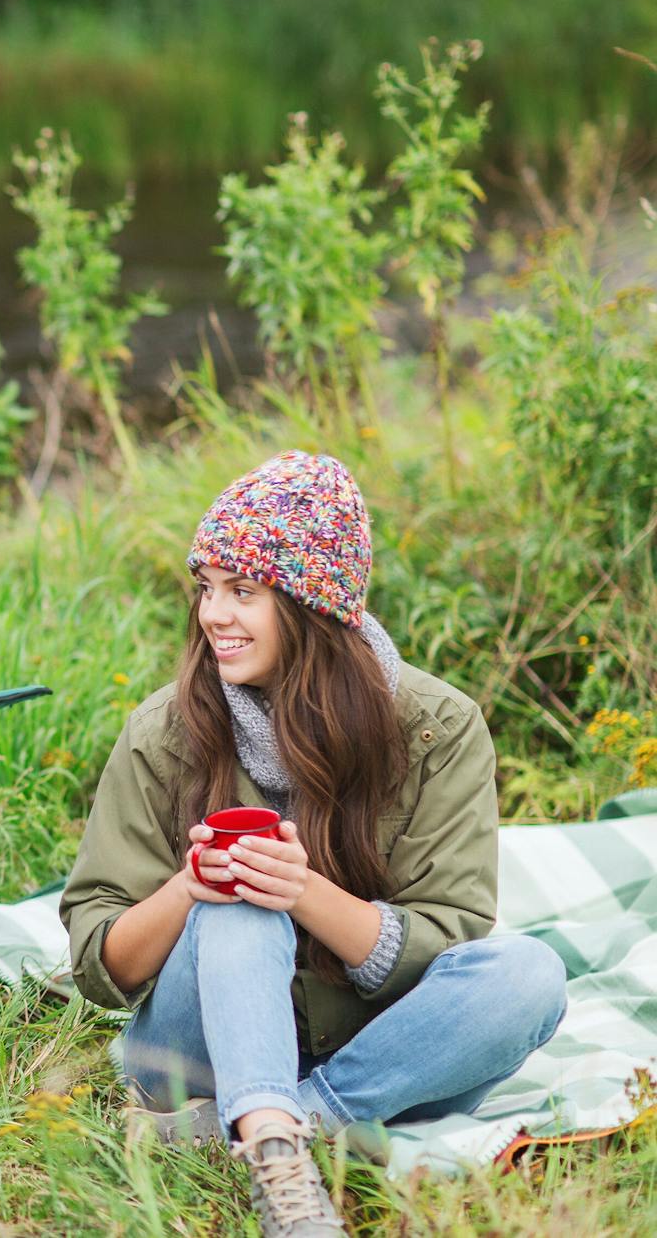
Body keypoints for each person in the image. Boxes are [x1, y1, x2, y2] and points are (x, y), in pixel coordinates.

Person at [60, 451, 567, 1236]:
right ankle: (283, 1171)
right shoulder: (164, 731)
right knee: (237, 899)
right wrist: (191, 888)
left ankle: (283, 1127)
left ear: (311, 606)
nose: (213, 615)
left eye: (244, 591)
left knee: (530, 975)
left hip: (375, 1045)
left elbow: (453, 937)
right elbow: (99, 960)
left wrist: (307, 894)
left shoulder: (438, 728)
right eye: (207, 588)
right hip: (193, 1053)